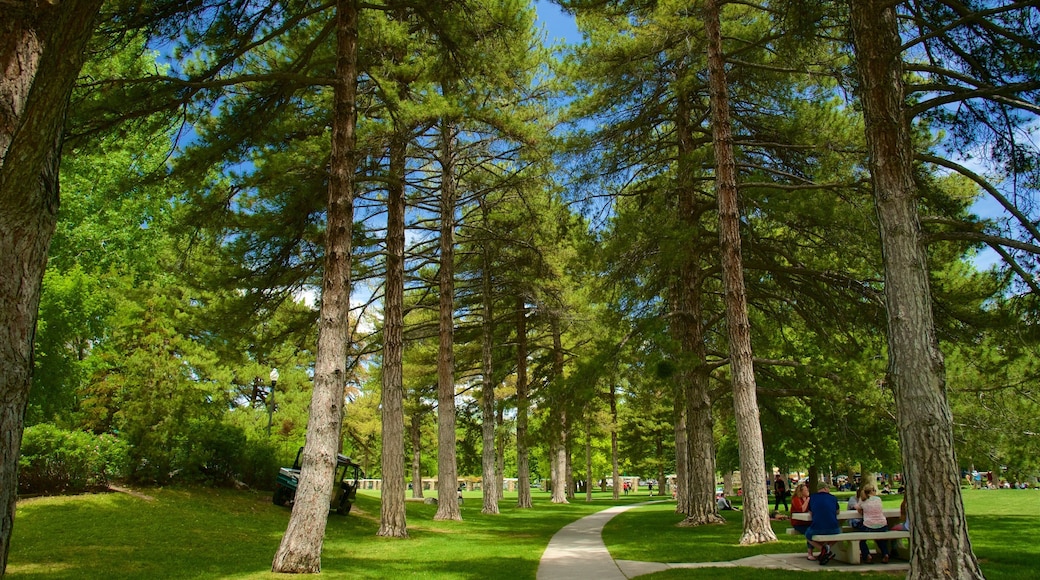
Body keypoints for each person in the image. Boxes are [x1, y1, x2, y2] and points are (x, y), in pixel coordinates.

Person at [853, 483, 891, 564]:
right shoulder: (878, 499)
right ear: (873, 491)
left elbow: (857, 507)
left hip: (869, 525)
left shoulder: (863, 500)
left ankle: (867, 555)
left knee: (862, 540)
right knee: (880, 539)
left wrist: (861, 510)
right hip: (882, 524)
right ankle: (885, 554)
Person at [806, 483, 841, 565]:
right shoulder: (832, 498)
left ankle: (823, 549)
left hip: (817, 527)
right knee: (839, 533)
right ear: (825, 488)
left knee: (808, 535)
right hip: (833, 527)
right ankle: (827, 548)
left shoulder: (813, 498)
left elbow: (810, 512)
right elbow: (837, 511)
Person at [790, 483, 814, 559]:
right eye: (805, 490)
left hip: (808, 522)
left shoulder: (808, 499)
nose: (807, 491)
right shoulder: (796, 499)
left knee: (817, 530)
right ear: (801, 491)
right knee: (809, 533)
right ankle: (810, 553)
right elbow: (801, 510)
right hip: (798, 523)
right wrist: (807, 500)